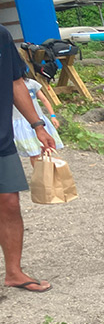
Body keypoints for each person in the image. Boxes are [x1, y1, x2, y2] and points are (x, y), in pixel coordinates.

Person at [1, 24, 54, 293]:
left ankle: (13, 272)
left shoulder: (1, 35)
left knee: (9, 203)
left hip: (1, 138)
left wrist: (38, 125)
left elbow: (15, 82)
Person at [12, 75, 63, 166]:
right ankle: (38, 173)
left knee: (47, 148)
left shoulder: (32, 84)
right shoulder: (7, 86)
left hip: (38, 120)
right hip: (21, 122)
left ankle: (48, 173)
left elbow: (44, 100)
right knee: (34, 153)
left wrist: (53, 116)